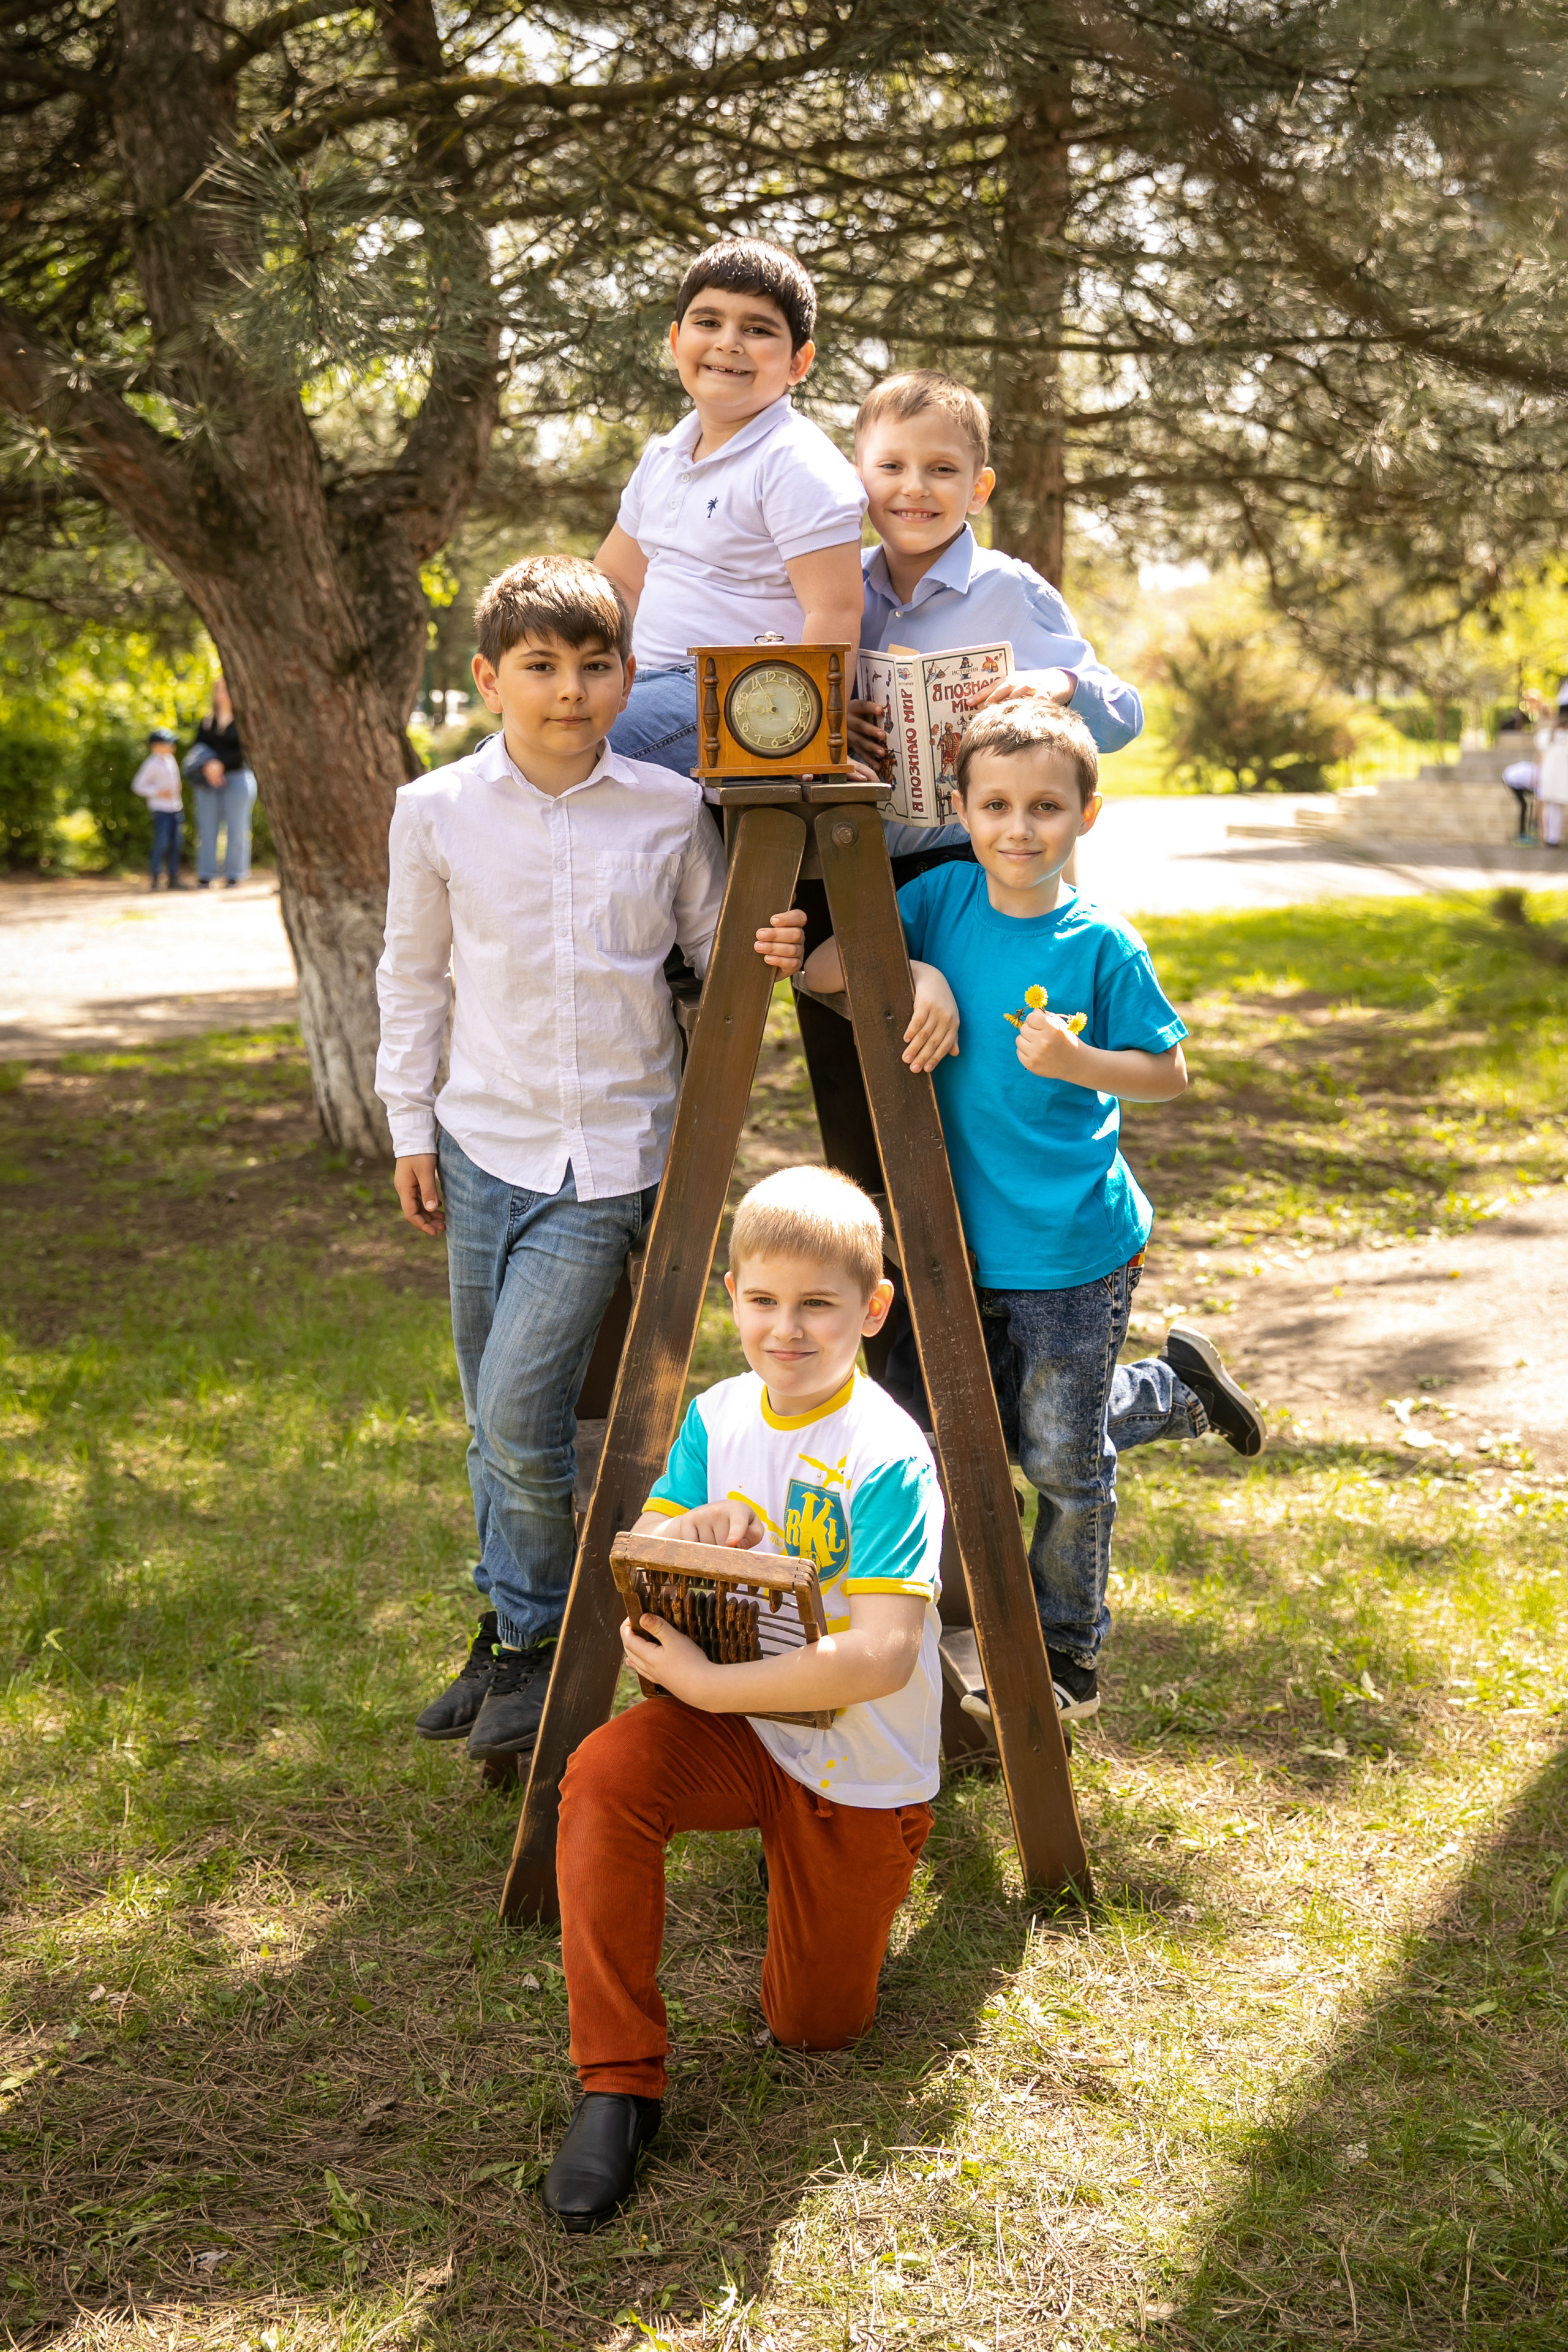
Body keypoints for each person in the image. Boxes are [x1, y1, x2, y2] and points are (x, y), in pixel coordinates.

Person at [375, 556, 807, 1765]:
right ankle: (510, 1614)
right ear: (486, 678)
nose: (569, 691)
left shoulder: (667, 812)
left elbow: (714, 960)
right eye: (540, 668)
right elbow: (409, 980)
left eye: (594, 666)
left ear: (626, 676)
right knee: (491, 1416)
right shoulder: (437, 813)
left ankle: (529, 1650)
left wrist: (765, 943)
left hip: (610, 1157)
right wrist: (410, 1127)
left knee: (518, 1409)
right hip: (478, 1146)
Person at [802, 701, 1265, 1728]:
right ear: (960, 810)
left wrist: (1080, 1062)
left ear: (1086, 816)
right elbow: (829, 970)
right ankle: (1174, 1390)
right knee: (1000, 1435)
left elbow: (1169, 1071)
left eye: (1046, 807)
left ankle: (1069, 1652)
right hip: (955, 1242)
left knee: (1058, 1461)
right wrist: (914, 971)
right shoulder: (942, 901)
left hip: (1070, 1246)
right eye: (998, 804)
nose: (1020, 827)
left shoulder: (1103, 943)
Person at [540, 1167, 944, 2233]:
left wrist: (712, 1682)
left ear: (872, 1309)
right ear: (732, 1298)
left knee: (816, 2027)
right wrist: (691, 1535)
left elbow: (884, 1658)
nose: (788, 1329)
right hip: (740, 1729)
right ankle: (618, 2086)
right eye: (764, 1302)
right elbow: (654, 1544)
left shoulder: (889, 1454)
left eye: (818, 1304)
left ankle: (837, 1865)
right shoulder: (720, 1416)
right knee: (606, 1775)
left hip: (858, 1760)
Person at [848, 371, 1144, 886]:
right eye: (891, 466)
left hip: (972, 869)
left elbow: (1125, 716)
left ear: (978, 489)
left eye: (942, 469)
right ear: (858, 481)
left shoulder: (1013, 591)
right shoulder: (837, 588)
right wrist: (834, 722)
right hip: (847, 862)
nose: (914, 486)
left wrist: (1061, 686)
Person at [595, 239, 867, 779]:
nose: (729, 343)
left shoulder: (794, 461)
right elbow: (616, 583)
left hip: (739, 698)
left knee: (569, 750)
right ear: (676, 342)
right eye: (708, 321)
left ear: (799, 362)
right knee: (514, 747)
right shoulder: (665, 456)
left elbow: (833, 611)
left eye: (758, 329)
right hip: (641, 680)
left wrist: (808, 738)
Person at [184, 677, 255, 886]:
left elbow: (247, 750)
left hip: (238, 778)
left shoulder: (246, 719)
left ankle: (235, 874)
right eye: (219, 690)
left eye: (227, 689)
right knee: (207, 827)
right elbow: (198, 748)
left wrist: (221, 765)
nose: (223, 694)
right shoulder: (207, 721)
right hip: (208, 782)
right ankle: (206, 875)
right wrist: (210, 767)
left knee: (238, 827)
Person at [132, 726, 186, 889]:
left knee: (176, 844)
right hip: (161, 810)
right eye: (167, 743)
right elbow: (138, 786)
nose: (171, 746)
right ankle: (155, 878)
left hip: (175, 808)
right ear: (155, 746)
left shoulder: (170, 760)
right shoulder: (151, 764)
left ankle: (173, 879)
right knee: (161, 844)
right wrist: (158, 792)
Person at [1534, 682, 1568, 849]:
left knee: (1553, 807)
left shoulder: (1548, 735)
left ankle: (1551, 837)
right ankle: (1551, 838)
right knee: (1555, 807)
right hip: (1559, 775)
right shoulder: (1549, 735)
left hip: (1553, 775)